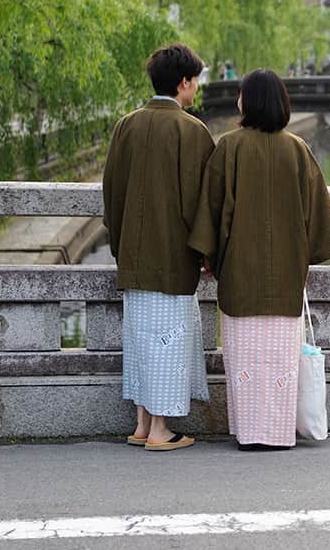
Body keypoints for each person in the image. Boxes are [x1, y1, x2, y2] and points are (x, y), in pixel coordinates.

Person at [190, 69, 330, 449]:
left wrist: (209, 257)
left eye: (241, 94)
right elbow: (318, 217)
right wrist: (299, 254)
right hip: (285, 277)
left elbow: (213, 210)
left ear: (248, 102)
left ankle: (249, 433)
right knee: (279, 362)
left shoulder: (229, 147)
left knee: (245, 361)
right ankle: (277, 433)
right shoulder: (297, 149)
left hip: (240, 275)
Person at [102, 43, 215, 452]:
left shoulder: (126, 126)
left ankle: (141, 423)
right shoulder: (192, 131)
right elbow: (203, 202)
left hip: (134, 256)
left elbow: (112, 192)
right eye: (195, 81)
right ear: (183, 83)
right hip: (172, 258)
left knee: (140, 340)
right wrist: (206, 253)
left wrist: (121, 243)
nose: (196, 89)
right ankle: (161, 430)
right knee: (169, 341)